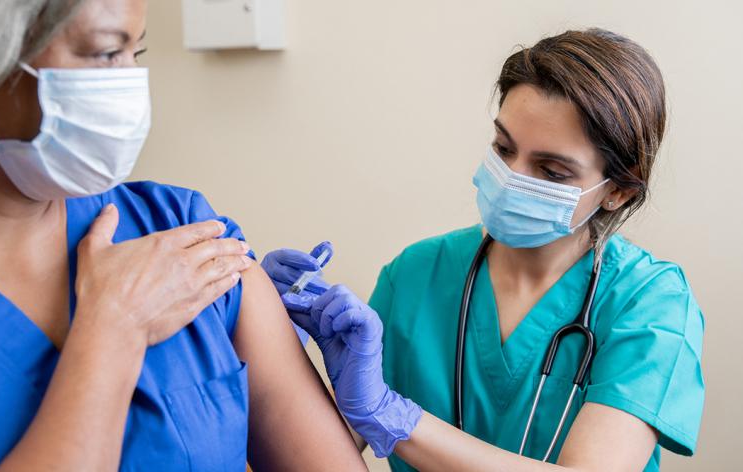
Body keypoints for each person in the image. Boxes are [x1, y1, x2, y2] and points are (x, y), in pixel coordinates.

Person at [0, 0, 367, 470]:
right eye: (104, 54)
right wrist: (112, 329)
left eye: (134, 55)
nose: (129, 88)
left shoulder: (178, 227)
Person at [263, 29, 705, 471]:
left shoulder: (652, 303)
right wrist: (270, 343)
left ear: (620, 192)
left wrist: (391, 414)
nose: (512, 177)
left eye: (551, 171)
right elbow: (315, 456)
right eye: (503, 148)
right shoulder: (417, 274)